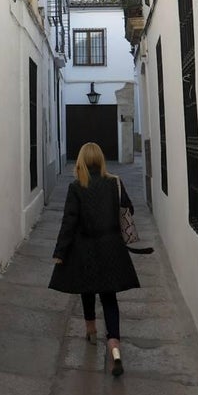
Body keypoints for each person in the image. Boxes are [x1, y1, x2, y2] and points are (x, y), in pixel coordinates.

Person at [48, 142, 141, 377]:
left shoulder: (76, 187)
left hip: (85, 249)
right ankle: (114, 345)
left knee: (87, 289)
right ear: (100, 160)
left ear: (80, 161)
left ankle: (90, 329)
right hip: (111, 247)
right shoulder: (114, 183)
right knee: (109, 297)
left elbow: (69, 222)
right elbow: (128, 209)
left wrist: (60, 252)